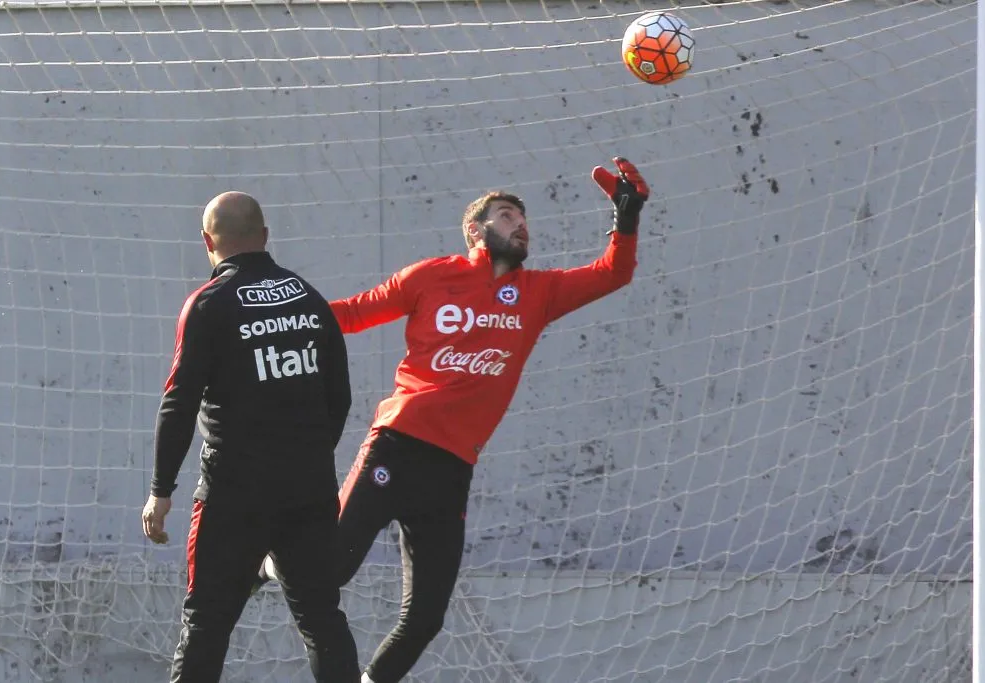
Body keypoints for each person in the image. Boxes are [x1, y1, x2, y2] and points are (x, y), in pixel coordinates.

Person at [256, 157, 649, 683]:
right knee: (330, 572)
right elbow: (351, 313)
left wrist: (626, 219)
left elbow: (614, 272)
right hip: (397, 444)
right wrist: (278, 320)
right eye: (507, 215)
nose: (521, 224)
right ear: (476, 229)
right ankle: (267, 562)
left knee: (425, 620)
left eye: (523, 218)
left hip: (452, 471)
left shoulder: (540, 292)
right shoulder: (433, 275)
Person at [141, 191, 361, 683]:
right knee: (322, 620)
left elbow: (177, 403)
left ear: (207, 242)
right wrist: (303, 457)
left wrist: (160, 491)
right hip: (309, 492)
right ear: (265, 236)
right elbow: (339, 397)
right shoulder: (310, 299)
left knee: (205, 624)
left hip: (231, 498)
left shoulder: (208, 305)